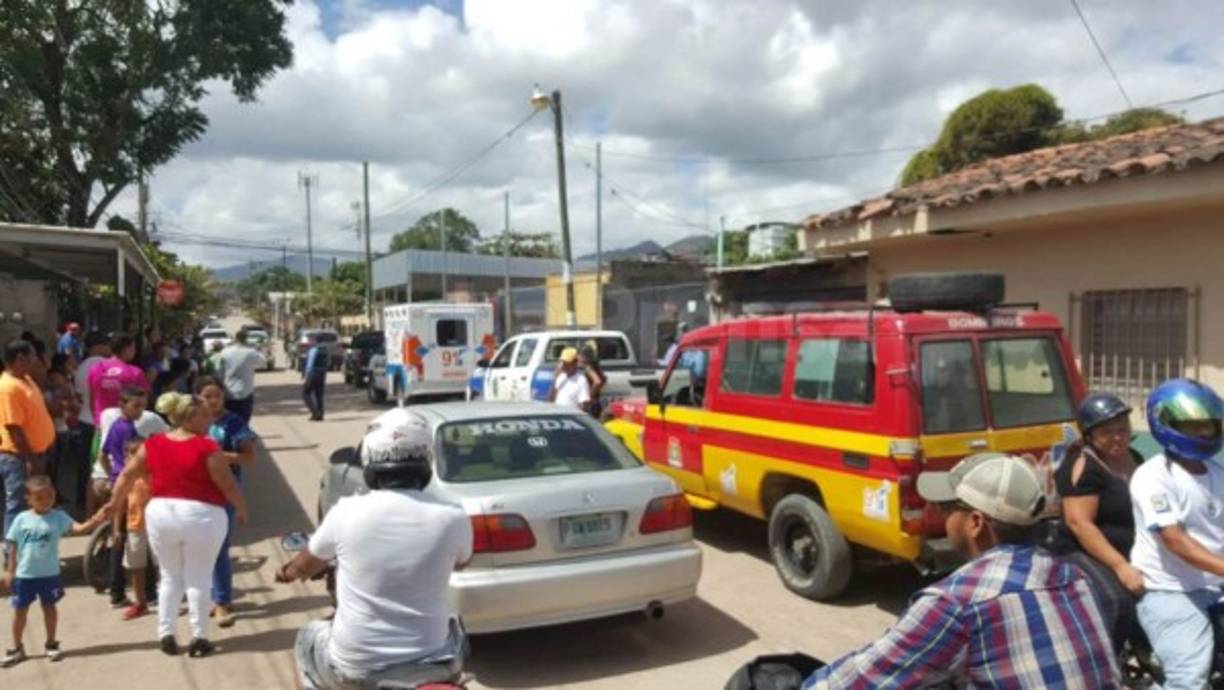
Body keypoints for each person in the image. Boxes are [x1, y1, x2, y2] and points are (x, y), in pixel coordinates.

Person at [804, 453, 1120, 689]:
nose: (942, 518)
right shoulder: (1072, 576)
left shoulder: (958, 600)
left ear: (975, 523)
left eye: (947, 509)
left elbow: (863, 679)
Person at [277, 411, 471, 689]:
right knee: (456, 628)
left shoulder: (346, 511)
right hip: (435, 655)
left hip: (356, 666)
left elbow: (307, 564)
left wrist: (287, 572)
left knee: (306, 638)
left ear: (370, 457)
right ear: (426, 457)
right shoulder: (452, 514)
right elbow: (462, 562)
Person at [108, 392, 247, 658]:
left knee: (170, 576)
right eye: (204, 415)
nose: (209, 419)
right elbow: (227, 484)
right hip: (203, 515)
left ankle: (166, 633)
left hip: (162, 513)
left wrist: (114, 503)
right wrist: (241, 507)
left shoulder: (153, 444)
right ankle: (199, 637)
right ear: (189, 417)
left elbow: (127, 474)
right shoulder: (207, 446)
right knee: (199, 577)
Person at [1128, 378, 1224, 689]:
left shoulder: (1217, 472)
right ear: (1166, 424)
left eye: (1208, 427)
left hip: (1215, 585)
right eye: (1194, 427)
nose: (1204, 434)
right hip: (1170, 589)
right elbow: (1174, 539)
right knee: (1188, 679)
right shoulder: (1153, 477)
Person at [1052, 392, 1144, 650]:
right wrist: (1120, 566)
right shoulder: (1084, 466)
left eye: (1122, 430)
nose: (1117, 438)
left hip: (1132, 549)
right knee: (1116, 600)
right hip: (1084, 553)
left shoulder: (1135, 458)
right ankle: (1105, 664)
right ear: (1090, 434)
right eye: (1107, 432)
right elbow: (1079, 523)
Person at [2, 475, 110, 667]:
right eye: (39, 498)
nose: (46, 501)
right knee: (20, 612)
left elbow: (79, 528)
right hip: (24, 576)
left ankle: (51, 643)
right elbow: (12, 547)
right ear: (28, 499)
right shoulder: (21, 519)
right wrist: (11, 571)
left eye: (49, 496)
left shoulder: (59, 517)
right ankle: (17, 648)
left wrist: (96, 518)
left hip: (49, 575)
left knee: (49, 609)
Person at [196, 377, 257, 629]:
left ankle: (222, 601)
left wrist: (218, 457)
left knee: (218, 546)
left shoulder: (233, 423)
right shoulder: (192, 422)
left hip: (225, 493)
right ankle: (209, 596)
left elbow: (249, 458)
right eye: (206, 396)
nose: (212, 401)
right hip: (195, 494)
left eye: (216, 396)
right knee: (200, 548)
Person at [99, 387, 153, 609]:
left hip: (117, 482)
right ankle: (145, 593)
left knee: (119, 537)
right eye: (135, 406)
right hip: (131, 486)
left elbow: (103, 455)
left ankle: (117, 592)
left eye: (142, 405)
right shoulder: (127, 429)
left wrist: (112, 475)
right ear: (122, 405)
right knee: (133, 537)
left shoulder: (115, 426)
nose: (140, 410)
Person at [0, 341, 56, 544]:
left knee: (32, 504)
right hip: (18, 458)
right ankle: (11, 552)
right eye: (32, 357)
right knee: (18, 506)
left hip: (36, 453)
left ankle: (27, 548)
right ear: (20, 359)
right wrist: (30, 459)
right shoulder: (8, 388)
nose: (36, 362)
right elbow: (13, 428)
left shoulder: (25, 379)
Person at [113, 438, 154, 621]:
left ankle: (167, 599)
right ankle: (141, 603)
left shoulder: (155, 474)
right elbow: (118, 505)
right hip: (135, 526)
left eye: (136, 452)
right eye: (128, 453)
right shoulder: (126, 478)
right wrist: (116, 529)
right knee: (136, 567)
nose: (131, 457)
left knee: (163, 566)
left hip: (157, 527)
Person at [71, 332, 109, 513]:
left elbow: (78, 395)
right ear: (99, 346)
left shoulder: (81, 367)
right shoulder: (105, 366)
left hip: (84, 419)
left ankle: (81, 500)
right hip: (100, 421)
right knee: (99, 465)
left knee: (83, 464)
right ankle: (97, 505)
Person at [216, 330, 265, 425]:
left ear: (235, 339)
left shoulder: (225, 352)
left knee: (229, 421)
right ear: (246, 339)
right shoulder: (250, 352)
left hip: (228, 392)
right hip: (245, 392)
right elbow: (262, 362)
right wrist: (258, 350)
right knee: (243, 422)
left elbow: (219, 371)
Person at [302, 340, 330, 422]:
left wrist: (306, 376)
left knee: (305, 393)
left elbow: (310, 364)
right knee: (319, 395)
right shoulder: (325, 351)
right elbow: (328, 363)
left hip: (313, 374)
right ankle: (320, 414)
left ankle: (315, 412)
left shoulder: (314, 350)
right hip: (322, 375)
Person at [579, 344, 607, 419]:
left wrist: (590, 396)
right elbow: (603, 379)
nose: (578, 358)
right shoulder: (596, 366)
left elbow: (597, 381)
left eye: (580, 355)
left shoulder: (588, 368)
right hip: (597, 401)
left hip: (591, 403)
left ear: (584, 356)